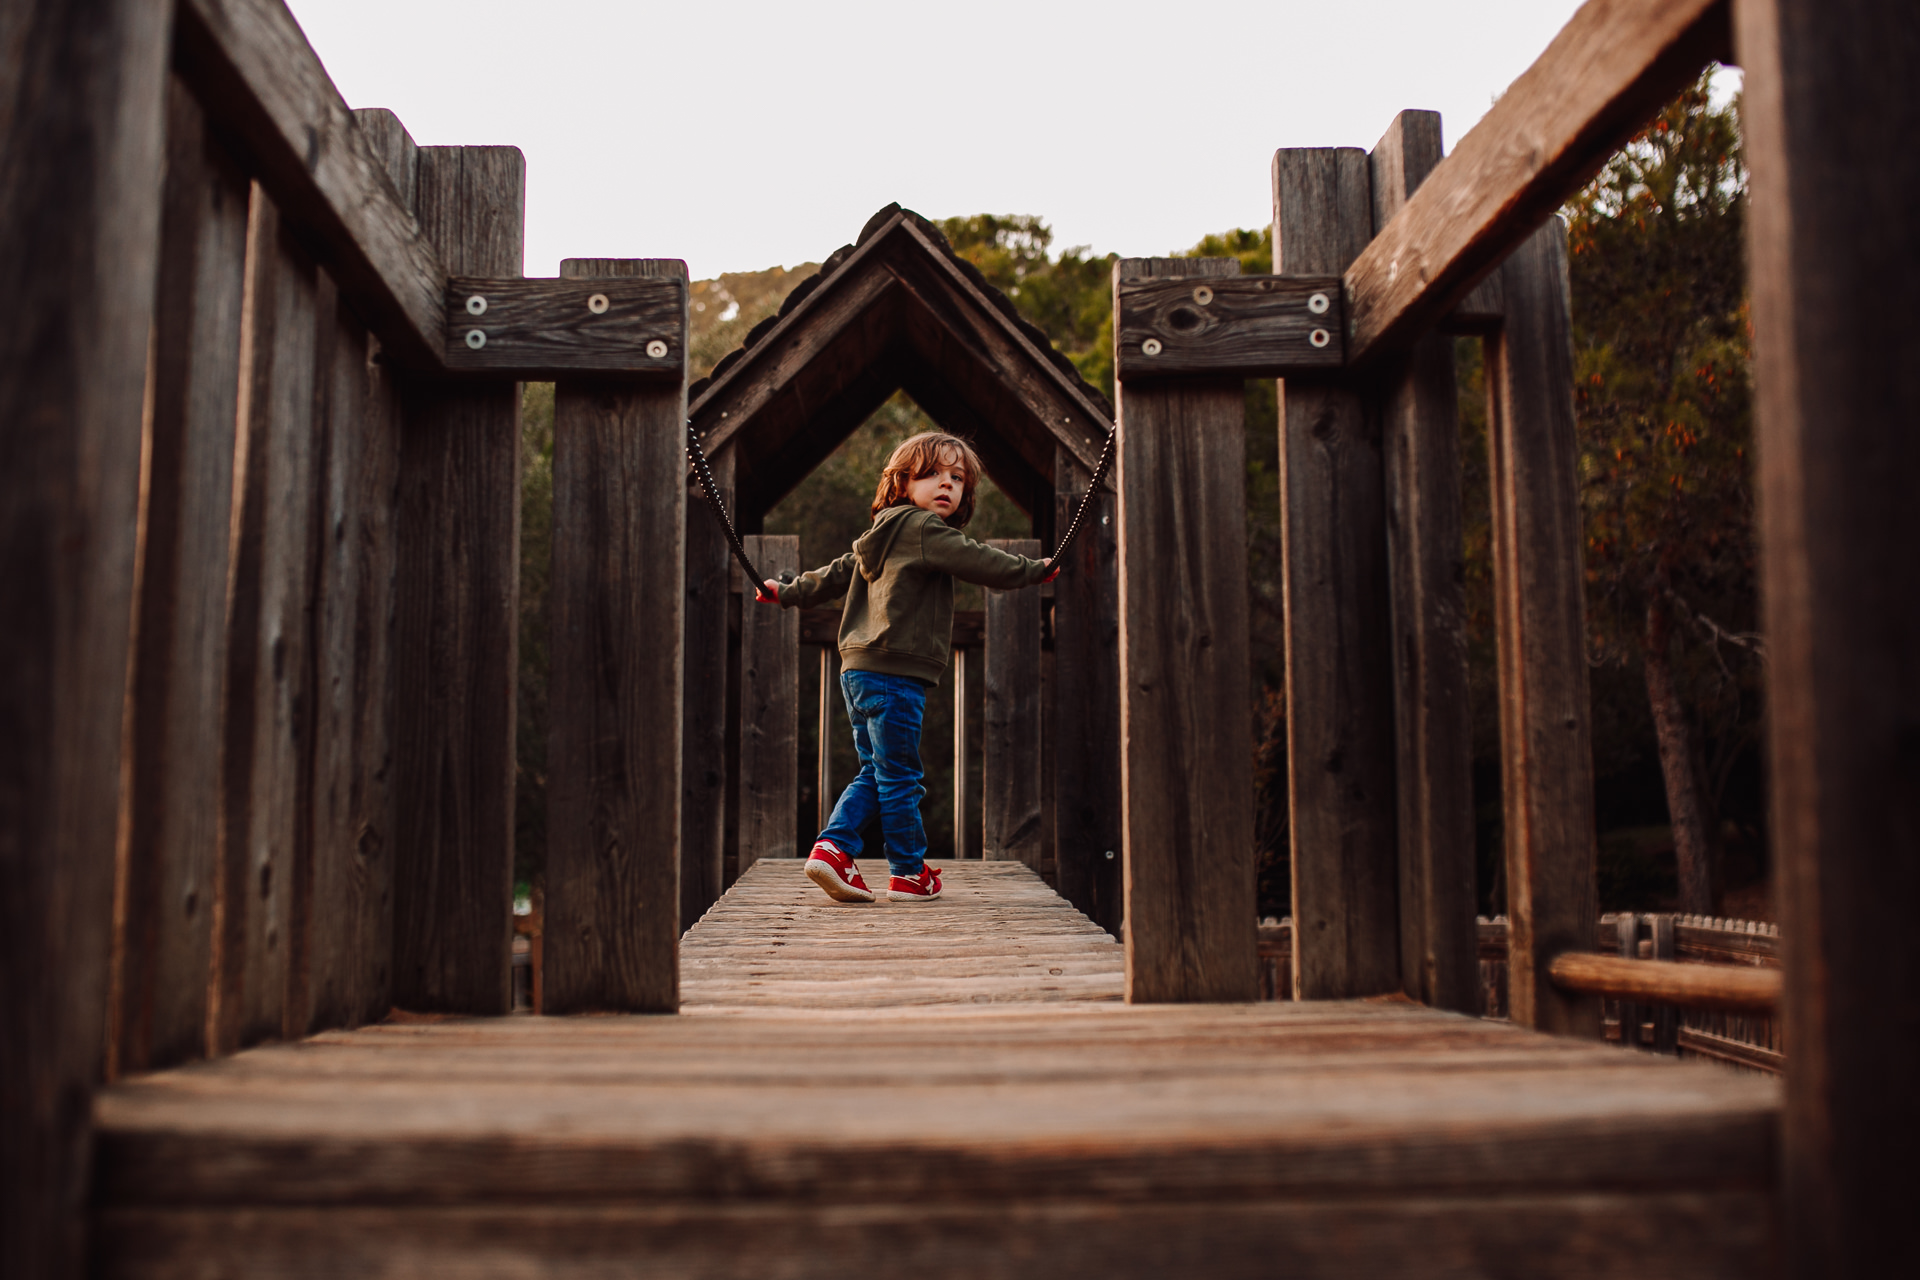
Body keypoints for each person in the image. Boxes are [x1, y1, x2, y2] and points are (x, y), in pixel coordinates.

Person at [759, 432, 1055, 903]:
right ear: (901, 483)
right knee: (899, 776)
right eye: (932, 474)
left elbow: (831, 576)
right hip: (896, 675)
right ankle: (882, 863)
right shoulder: (925, 530)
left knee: (878, 770)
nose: (947, 484)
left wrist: (787, 590)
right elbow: (979, 561)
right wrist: (1033, 570)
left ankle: (875, 860)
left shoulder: (876, 537)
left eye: (957, 478)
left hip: (856, 671)